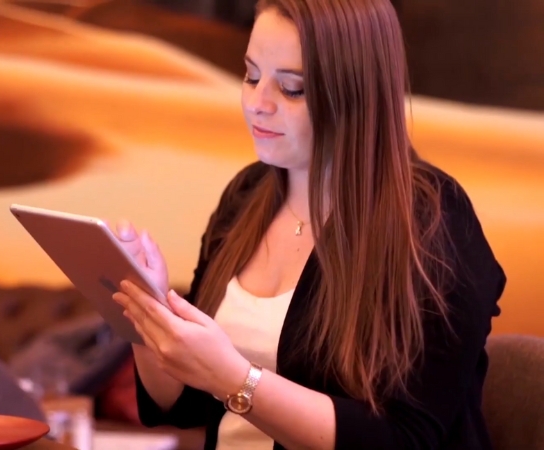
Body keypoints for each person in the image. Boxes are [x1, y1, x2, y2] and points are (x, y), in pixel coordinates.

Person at [110, 0, 507, 449]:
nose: (258, 104)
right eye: (251, 76)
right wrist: (147, 314)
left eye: (292, 89)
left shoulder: (431, 220)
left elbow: (404, 438)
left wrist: (234, 377)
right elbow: (182, 405)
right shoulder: (246, 197)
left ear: (357, 92)